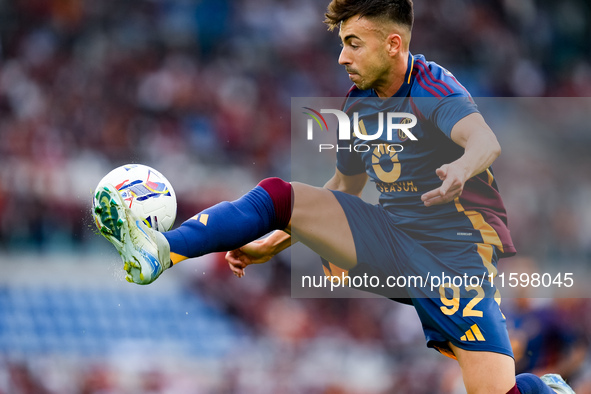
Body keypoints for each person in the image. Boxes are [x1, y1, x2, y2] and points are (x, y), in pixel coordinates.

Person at [92, 1, 575, 393]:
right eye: (341, 43)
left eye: (353, 43)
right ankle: (160, 250)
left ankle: (542, 390)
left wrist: (461, 169)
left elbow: (485, 141)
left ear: (393, 43)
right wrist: (271, 243)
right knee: (281, 196)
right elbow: (344, 187)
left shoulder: (432, 86)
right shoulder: (358, 103)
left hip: (455, 262)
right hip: (393, 240)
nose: (342, 57)